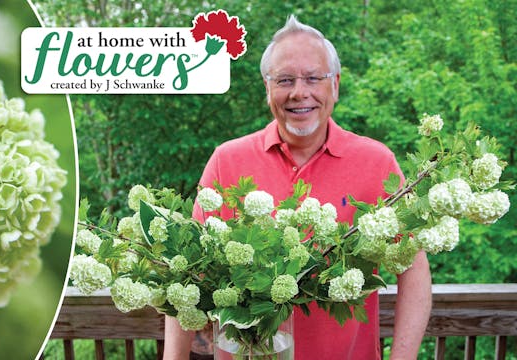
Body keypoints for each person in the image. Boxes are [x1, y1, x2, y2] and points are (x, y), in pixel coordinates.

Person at [163, 15, 432, 360]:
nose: (299, 93)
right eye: (285, 80)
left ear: (335, 84)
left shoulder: (377, 163)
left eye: (313, 78)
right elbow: (188, 275)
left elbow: (414, 268)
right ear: (267, 88)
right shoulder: (226, 162)